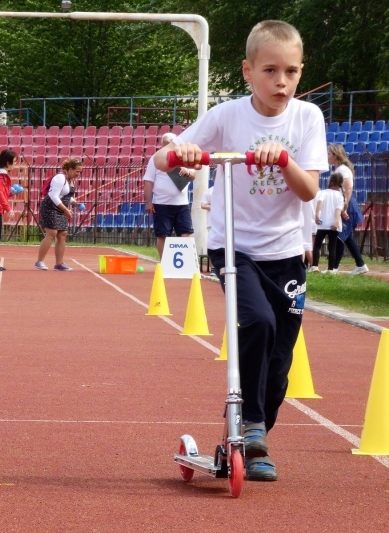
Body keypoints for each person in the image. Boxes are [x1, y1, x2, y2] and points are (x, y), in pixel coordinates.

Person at [154, 20, 327, 482]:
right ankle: (250, 423)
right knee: (258, 322)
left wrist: (284, 159)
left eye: (291, 71)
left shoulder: (307, 118)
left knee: (280, 362)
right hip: (237, 249)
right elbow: (163, 158)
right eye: (270, 70)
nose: (282, 82)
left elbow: (310, 190)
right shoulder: (228, 116)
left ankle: (254, 440)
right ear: (248, 71)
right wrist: (184, 152)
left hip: (287, 253)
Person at [144, 132, 196, 258]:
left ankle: (186, 261)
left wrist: (187, 172)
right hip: (161, 204)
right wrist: (149, 202)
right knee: (162, 234)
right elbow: (148, 180)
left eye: (170, 144)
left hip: (182, 204)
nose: (168, 147)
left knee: (186, 233)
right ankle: (163, 262)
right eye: (166, 144)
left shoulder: (184, 157)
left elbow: (194, 175)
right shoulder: (156, 158)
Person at [34, 158, 83, 271]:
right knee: (52, 233)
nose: (78, 174)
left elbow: (65, 194)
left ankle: (59, 264)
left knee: (62, 234)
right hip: (50, 207)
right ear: (70, 169)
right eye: (77, 171)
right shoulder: (60, 178)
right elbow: (53, 196)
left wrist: (73, 201)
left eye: (80, 172)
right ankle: (39, 261)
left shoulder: (71, 179)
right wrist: (66, 210)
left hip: (61, 208)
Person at [328, 144, 368, 274]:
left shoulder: (342, 170)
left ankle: (334, 267)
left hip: (346, 205)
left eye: (329, 154)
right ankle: (360, 264)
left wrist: (344, 207)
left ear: (335, 155)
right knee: (346, 237)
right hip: (345, 204)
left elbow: (348, 188)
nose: (327, 157)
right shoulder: (340, 169)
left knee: (340, 235)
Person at [311, 172, 345, 272]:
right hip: (333, 224)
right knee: (332, 246)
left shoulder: (323, 192)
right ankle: (330, 269)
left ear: (330, 182)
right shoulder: (340, 196)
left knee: (317, 245)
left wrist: (317, 215)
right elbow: (338, 210)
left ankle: (315, 266)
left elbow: (319, 203)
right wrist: (336, 221)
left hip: (322, 223)